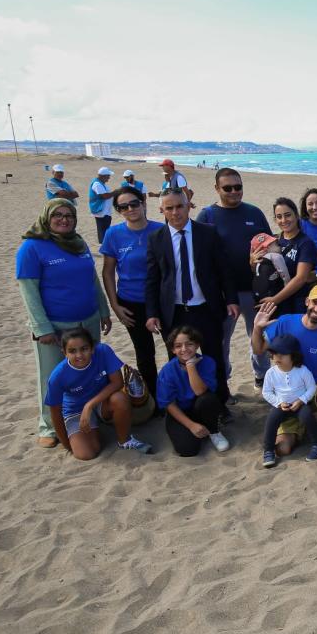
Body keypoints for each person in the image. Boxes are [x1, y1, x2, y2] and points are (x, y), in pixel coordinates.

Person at [17, 199, 112, 448]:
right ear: (47, 217)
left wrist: (104, 311)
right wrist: (42, 328)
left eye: (69, 215)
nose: (64, 219)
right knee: (51, 376)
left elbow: (92, 281)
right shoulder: (32, 247)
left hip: (88, 320)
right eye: (58, 215)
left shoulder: (78, 243)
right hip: (55, 325)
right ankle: (48, 426)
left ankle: (86, 416)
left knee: (88, 372)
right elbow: (29, 291)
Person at [145, 188, 240, 404]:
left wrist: (232, 299)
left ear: (189, 206)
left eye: (180, 206)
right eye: (169, 208)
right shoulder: (156, 239)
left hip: (206, 308)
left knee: (214, 357)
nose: (176, 212)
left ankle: (220, 404)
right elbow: (152, 279)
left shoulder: (208, 233)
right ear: (162, 210)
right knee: (178, 360)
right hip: (174, 312)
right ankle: (185, 405)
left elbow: (224, 270)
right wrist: (152, 313)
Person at [196, 168, 274, 393]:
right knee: (221, 341)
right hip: (223, 294)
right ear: (217, 189)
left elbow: (269, 245)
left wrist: (259, 257)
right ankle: (223, 382)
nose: (233, 192)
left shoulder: (254, 213)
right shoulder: (207, 215)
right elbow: (200, 256)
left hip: (254, 289)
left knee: (258, 335)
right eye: (227, 188)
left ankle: (262, 378)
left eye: (237, 187)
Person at [251, 286, 317, 459]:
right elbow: (259, 350)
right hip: (287, 396)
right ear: (307, 302)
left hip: (313, 392)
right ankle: (301, 427)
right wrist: (257, 328)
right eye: (315, 303)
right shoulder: (285, 322)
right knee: (283, 449)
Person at [100, 186, 166, 404]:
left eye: (134, 203)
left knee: (175, 346)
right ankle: (155, 400)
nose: (130, 209)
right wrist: (115, 306)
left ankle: (177, 395)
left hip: (162, 300)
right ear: (119, 210)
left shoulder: (160, 230)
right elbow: (108, 272)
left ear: (143, 202)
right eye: (123, 206)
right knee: (144, 354)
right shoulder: (113, 234)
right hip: (130, 302)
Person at [45, 328, 152, 460]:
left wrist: (89, 405)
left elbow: (118, 383)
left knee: (120, 398)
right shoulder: (58, 376)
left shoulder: (103, 351)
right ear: (64, 353)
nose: (79, 355)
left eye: (84, 348)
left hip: (102, 401)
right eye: (72, 351)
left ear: (93, 348)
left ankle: (124, 440)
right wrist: (67, 444)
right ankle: (94, 429)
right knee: (87, 454)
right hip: (75, 410)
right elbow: (55, 412)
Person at [156, 326, 232, 456]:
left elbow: (200, 392)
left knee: (207, 399)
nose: (184, 349)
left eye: (189, 344)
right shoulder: (167, 371)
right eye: (178, 346)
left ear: (197, 345)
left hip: (201, 406)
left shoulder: (207, 362)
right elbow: (169, 403)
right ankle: (198, 429)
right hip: (180, 412)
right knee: (188, 450)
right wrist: (191, 425)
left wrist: (190, 366)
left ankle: (214, 432)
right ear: (173, 350)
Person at [259, 335, 317, 468]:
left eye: (282, 354)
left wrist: (301, 400)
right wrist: (279, 403)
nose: (277, 358)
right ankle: (268, 450)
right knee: (272, 419)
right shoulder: (271, 373)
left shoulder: (302, 371)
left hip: (300, 404)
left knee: (307, 416)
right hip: (282, 406)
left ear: (293, 356)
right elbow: (266, 392)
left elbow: (312, 388)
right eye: (274, 354)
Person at [254, 197, 317, 314]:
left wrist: (275, 300)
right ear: (275, 219)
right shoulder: (273, 241)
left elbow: (301, 278)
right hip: (271, 301)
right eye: (279, 217)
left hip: (295, 302)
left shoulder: (305, 243)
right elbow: (259, 271)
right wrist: (252, 261)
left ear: (296, 215)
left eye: (288, 215)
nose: (284, 220)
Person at [88, 167, 116, 243]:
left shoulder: (102, 184)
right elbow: (105, 196)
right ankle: (103, 245)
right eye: (108, 176)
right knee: (102, 231)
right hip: (100, 211)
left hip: (105, 211)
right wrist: (116, 192)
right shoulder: (97, 184)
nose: (109, 178)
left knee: (105, 229)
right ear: (103, 176)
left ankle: (105, 244)